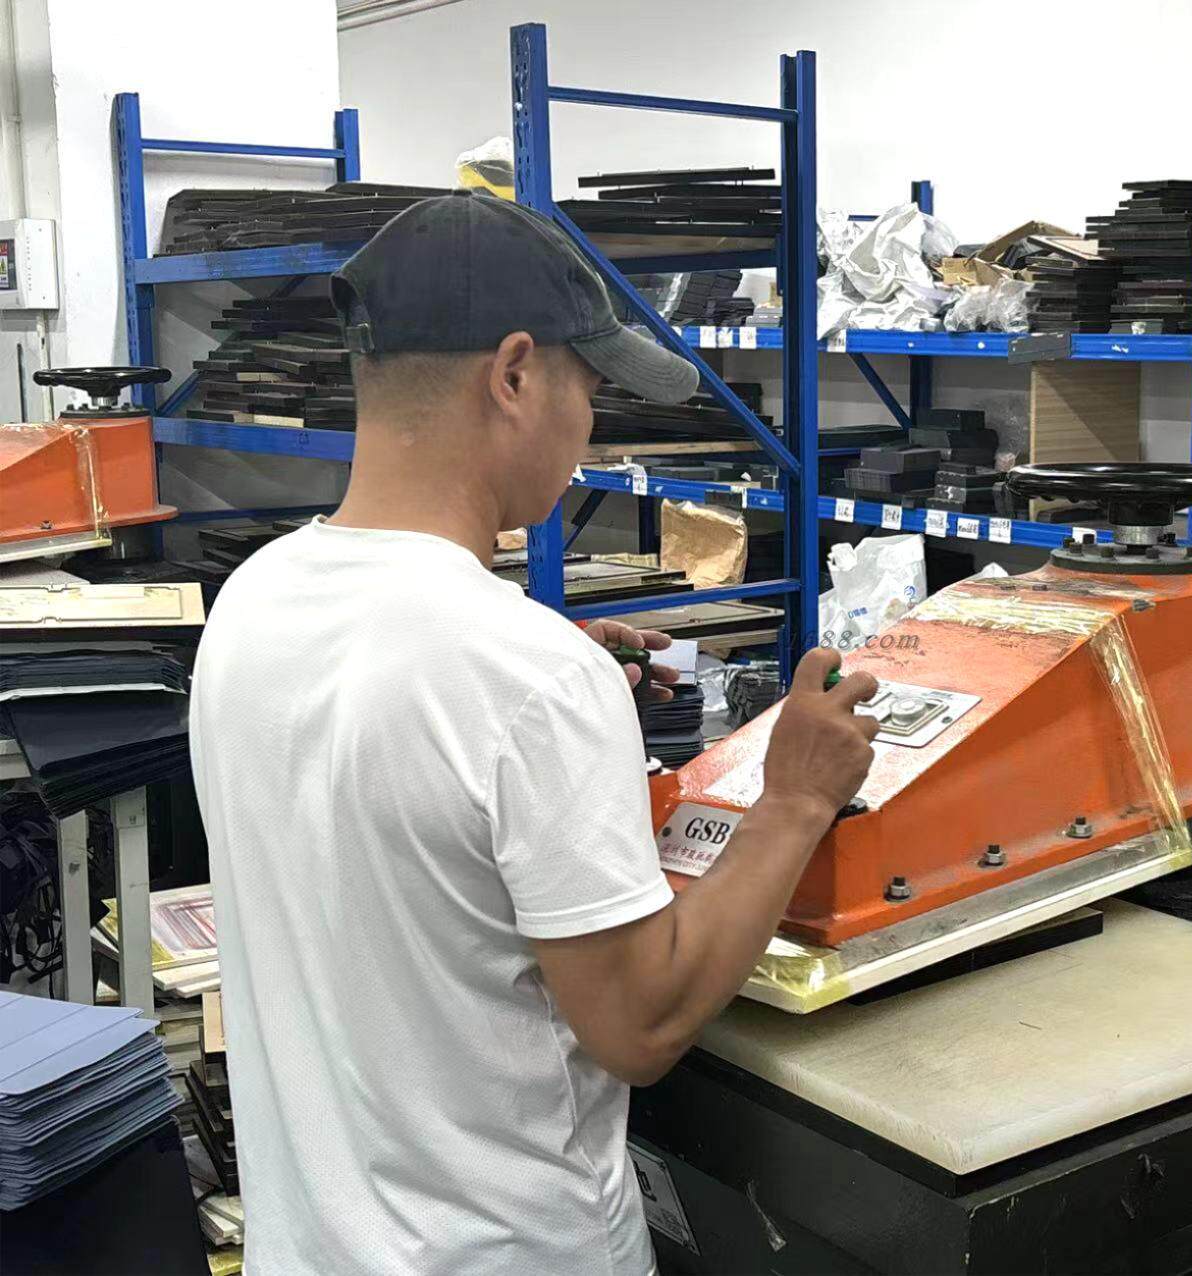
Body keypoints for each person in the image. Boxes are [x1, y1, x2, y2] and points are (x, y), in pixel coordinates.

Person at [188, 191, 878, 1275]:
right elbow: (641, 1025)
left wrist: (555, 694)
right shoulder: (524, 675)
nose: (589, 428)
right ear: (514, 375)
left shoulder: (253, 599)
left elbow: (399, 782)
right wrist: (795, 798)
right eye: (589, 390)